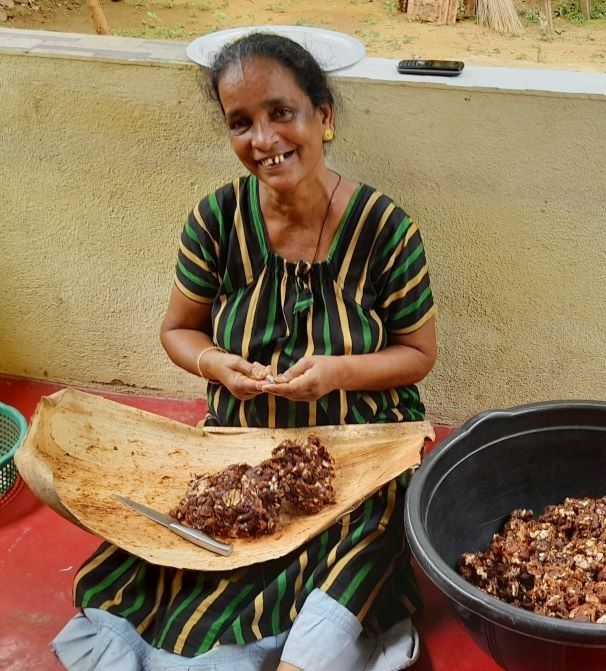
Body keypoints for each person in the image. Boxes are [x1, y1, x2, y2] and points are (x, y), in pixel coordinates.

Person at [52, 32, 438, 671]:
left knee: (350, 547)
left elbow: (418, 354)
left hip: (361, 452)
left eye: (282, 112)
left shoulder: (386, 229)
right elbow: (179, 330)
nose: (263, 140)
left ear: (325, 116)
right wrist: (214, 365)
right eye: (241, 122)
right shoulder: (216, 220)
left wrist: (337, 374)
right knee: (183, 551)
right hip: (239, 441)